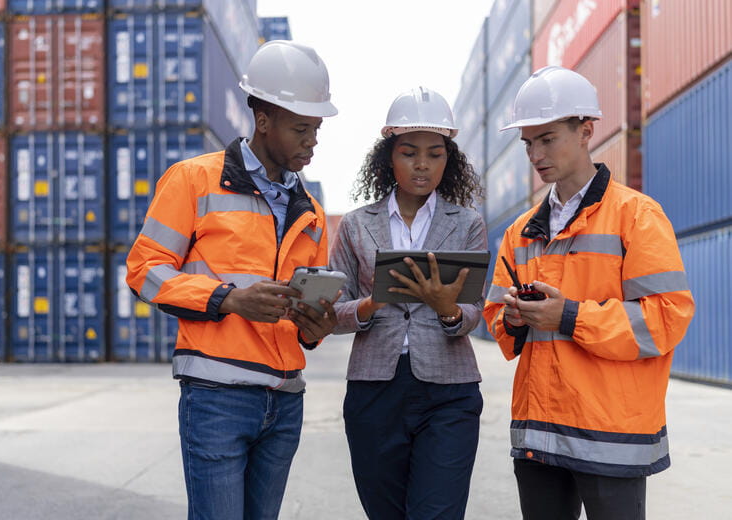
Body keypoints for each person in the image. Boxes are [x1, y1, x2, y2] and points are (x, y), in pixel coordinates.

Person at [125, 40, 340, 520]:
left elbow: (306, 329)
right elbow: (144, 270)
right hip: (216, 397)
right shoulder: (192, 181)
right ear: (263, 120)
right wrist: (230, 299)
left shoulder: (314, 214)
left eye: (317, 129)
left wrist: (314, 325)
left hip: (285, 403)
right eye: (301, 127)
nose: (312, 140)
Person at [483, 66, 696, 520]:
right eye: (527, 144)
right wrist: (515, 319)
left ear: (585, 131)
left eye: (547, 138)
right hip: (539, 431)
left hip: (610, 434)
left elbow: (666, 318)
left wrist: (568, 315)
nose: (535, 154)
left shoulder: (636, 215)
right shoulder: (521, 231)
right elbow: (496, 320)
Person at [329, 87, 487, 519]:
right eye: (409, 152)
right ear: (388, 158)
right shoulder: (357, 226)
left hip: (449, 391)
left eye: (435, 154)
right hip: (374, 389)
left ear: (447, 160)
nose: (422, 164)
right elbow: (331, 310)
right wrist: (369, 306)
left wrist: (447, 309)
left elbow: (474, 310)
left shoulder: (468, 224)